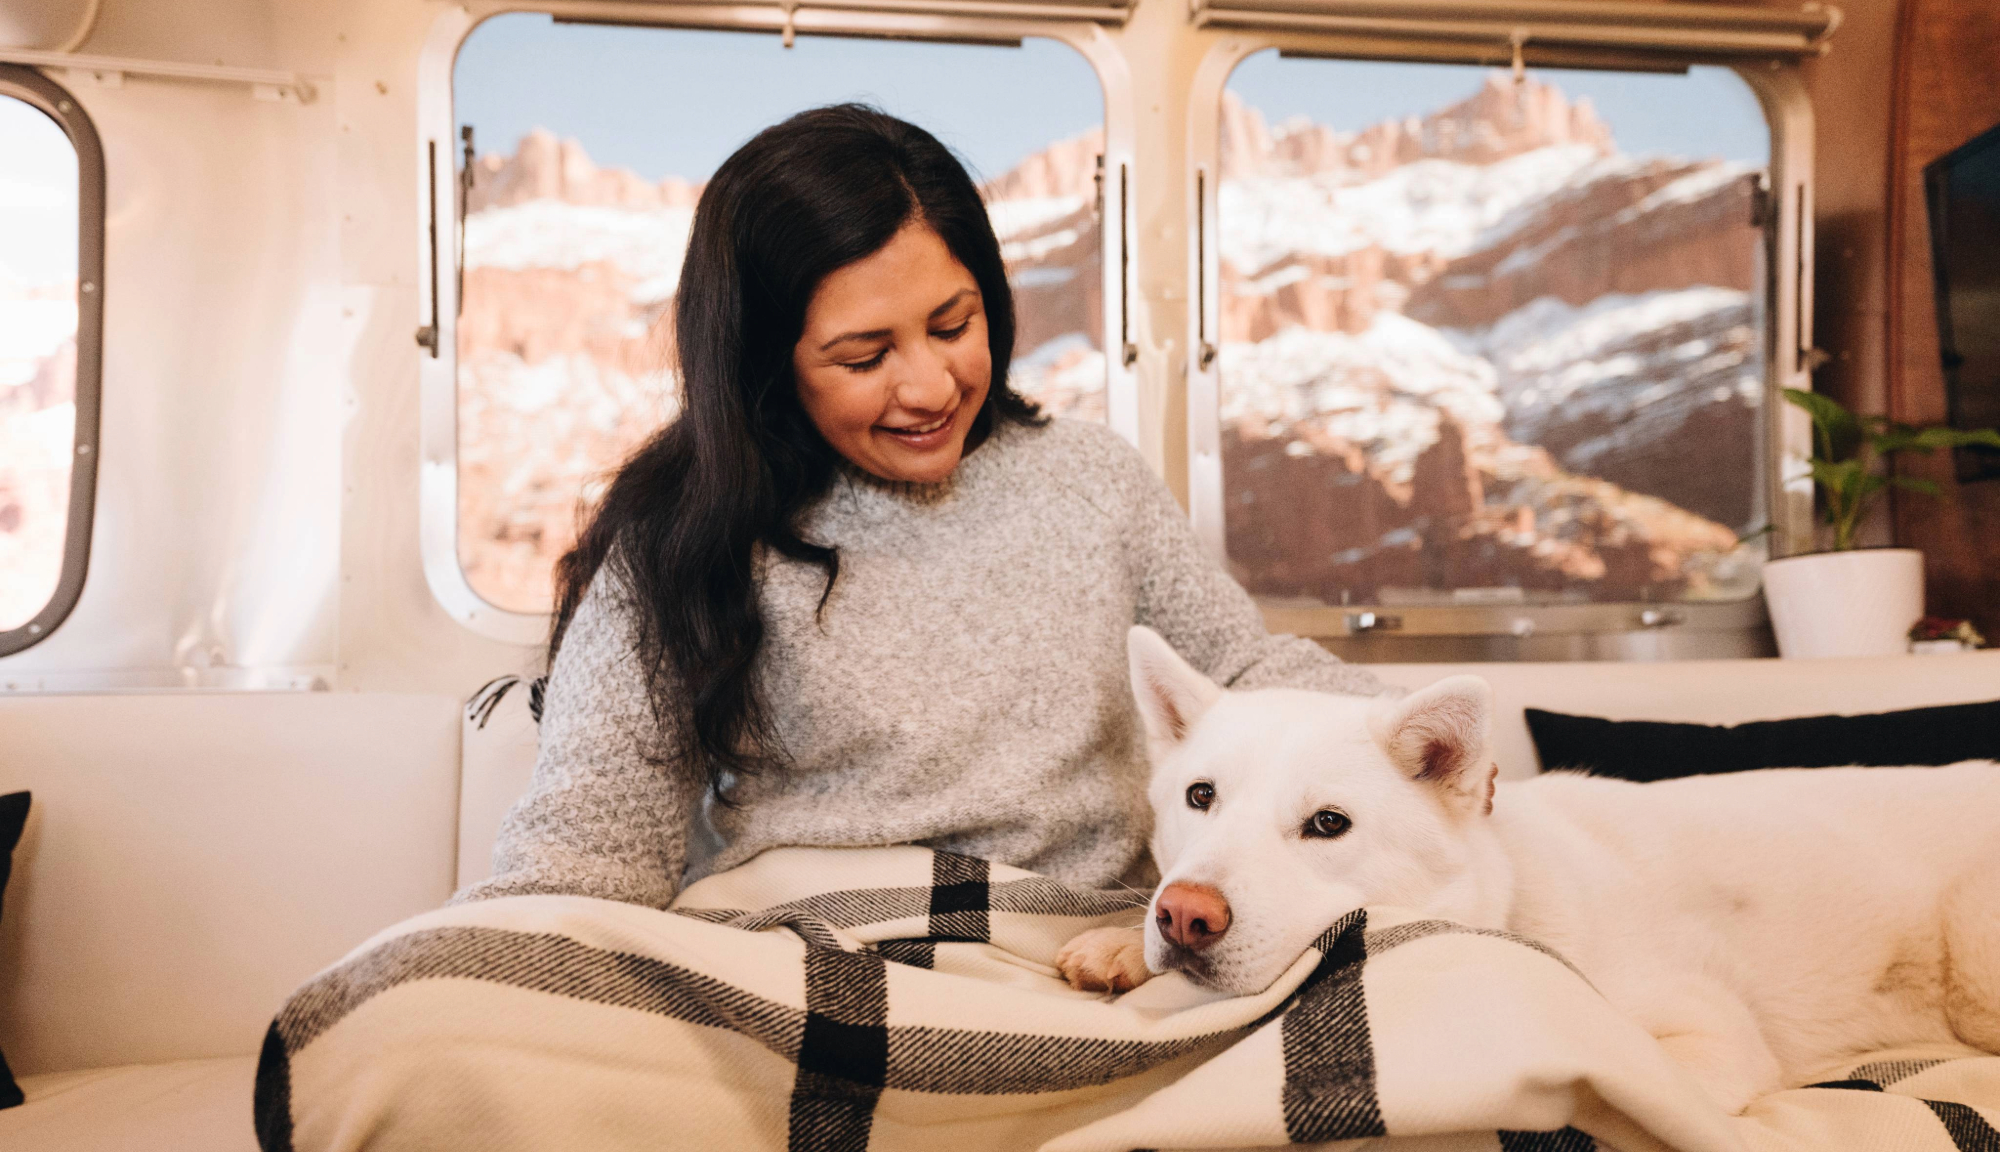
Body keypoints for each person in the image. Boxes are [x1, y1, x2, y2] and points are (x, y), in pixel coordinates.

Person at [454, 104, 1380, 911]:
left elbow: (1245, 670)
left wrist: (1422, 742)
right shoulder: (679, 538)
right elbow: (590, 841)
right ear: (764, 366)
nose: (931, 386)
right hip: (802, 951)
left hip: (1078, 947)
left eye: (954, 325)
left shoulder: (1092, 477)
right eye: (865, 357)